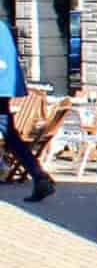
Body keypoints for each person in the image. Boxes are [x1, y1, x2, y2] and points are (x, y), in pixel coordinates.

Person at [0, 20, 54, 202]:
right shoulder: (3, 27)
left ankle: (39, 176)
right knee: (11, 136)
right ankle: (39, 176)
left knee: (10, 135)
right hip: (4, 87)